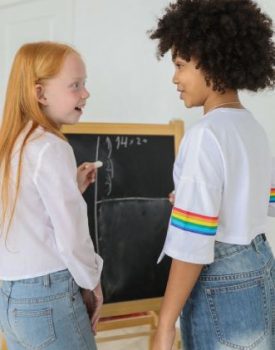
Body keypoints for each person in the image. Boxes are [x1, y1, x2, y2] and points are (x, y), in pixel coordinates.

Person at [149, 0, 275, 349]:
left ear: (212, 62)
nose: (175, 78)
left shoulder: (205, 134)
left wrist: (165, 323)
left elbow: (192, 245)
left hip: (222, 280)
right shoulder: (251, 127)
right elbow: (266, 199)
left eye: (179, 65)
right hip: (259, 266)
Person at [0, 42, 103, 350]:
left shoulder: (10, 145)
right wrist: (93, 283)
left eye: (84, 85)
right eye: (75, 85)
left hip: (10, 296)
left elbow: (25, 211)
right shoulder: (51, 147)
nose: (85, 93)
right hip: (49, 294)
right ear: (40, 93)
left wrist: (72, 187)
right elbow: (71, 237)